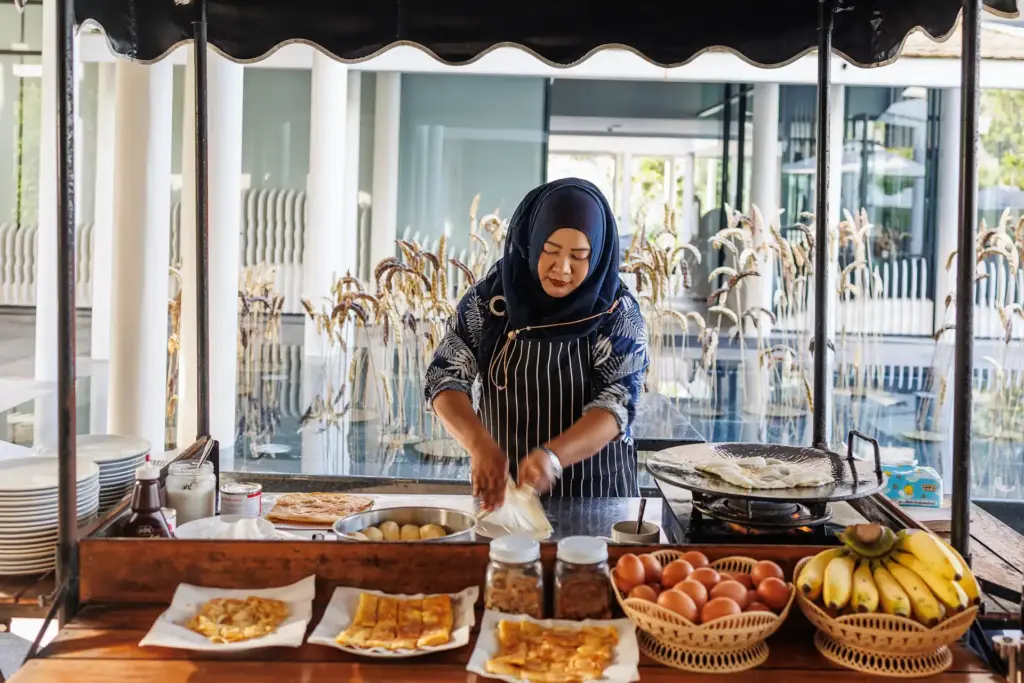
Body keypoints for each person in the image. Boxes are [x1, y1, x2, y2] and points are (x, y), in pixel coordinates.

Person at [424, 177, 649, 508]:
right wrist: (478, 444)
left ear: (598, 254)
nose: (562, 268)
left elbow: (616, 404)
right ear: (531, 241)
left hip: (597, 497)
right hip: (505, 495)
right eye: (550, 250)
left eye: (579, 256)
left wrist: (553, 456)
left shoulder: (616, 313)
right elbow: (443, 378)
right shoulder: (491, 302)